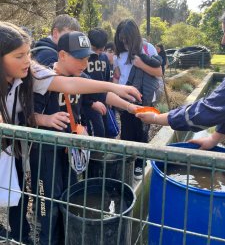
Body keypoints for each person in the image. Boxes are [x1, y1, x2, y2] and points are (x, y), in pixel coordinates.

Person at [0, 21, 142, 244]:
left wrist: (118, 92)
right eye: (19, 56)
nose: (27, 60)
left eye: (28, 53)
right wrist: (45, 119)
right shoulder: (37, 78)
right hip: (41, 149)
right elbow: (28, 115)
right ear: (63, 55)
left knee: (57, 195)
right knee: (40, 199)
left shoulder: (34, 72)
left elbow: (73, 86)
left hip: (31, 147)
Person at [113, 19, 162, 180]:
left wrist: (141, 64)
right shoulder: (119, 53)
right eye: (121, 39)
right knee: (127, 131)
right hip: (126, 99)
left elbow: (159, 72)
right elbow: (117, 75)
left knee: (142, 131)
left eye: (127, 39)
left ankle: (140, 163)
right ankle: (127, 163)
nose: (124, 42)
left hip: (145, 98)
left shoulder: (148, 48)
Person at [83, 28, 111, 137]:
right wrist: (90, 103)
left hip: (103, 100)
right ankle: (94, 154)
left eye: (100, 50)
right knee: (95, 131)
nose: (97, 53)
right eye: (94, 49)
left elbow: (107, 79)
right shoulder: (83, 58)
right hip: (87, 103)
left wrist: (108, 97)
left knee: (105, 130)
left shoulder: (104, 57)